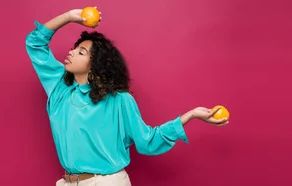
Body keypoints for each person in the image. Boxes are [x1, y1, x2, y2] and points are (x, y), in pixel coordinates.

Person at [25, 8, 229, 186]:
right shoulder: (60, 89)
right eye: (74, 48)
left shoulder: (119, 101)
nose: (71, 52)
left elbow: (147, 141)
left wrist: (191, 115)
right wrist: (69, 16)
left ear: (95, 66)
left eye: (81, 52)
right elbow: (35, 43)